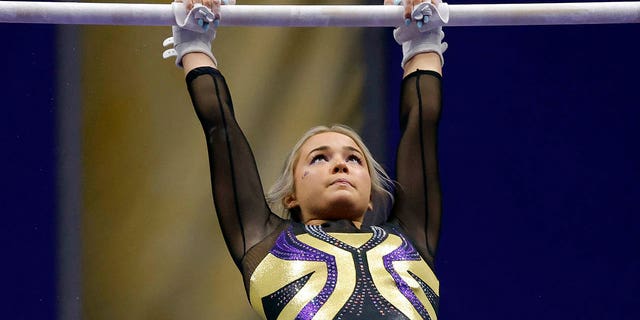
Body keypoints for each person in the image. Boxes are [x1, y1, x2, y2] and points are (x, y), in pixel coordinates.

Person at [163, 0, 446, 318]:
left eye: (354, 159)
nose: (340, 164)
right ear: (291, 195)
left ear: (371, 196)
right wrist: (195, 39)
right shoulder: (264, 240)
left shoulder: (410, 236)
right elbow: (220, 128)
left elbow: (421, 124)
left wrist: (422, 33)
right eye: (319, 159)